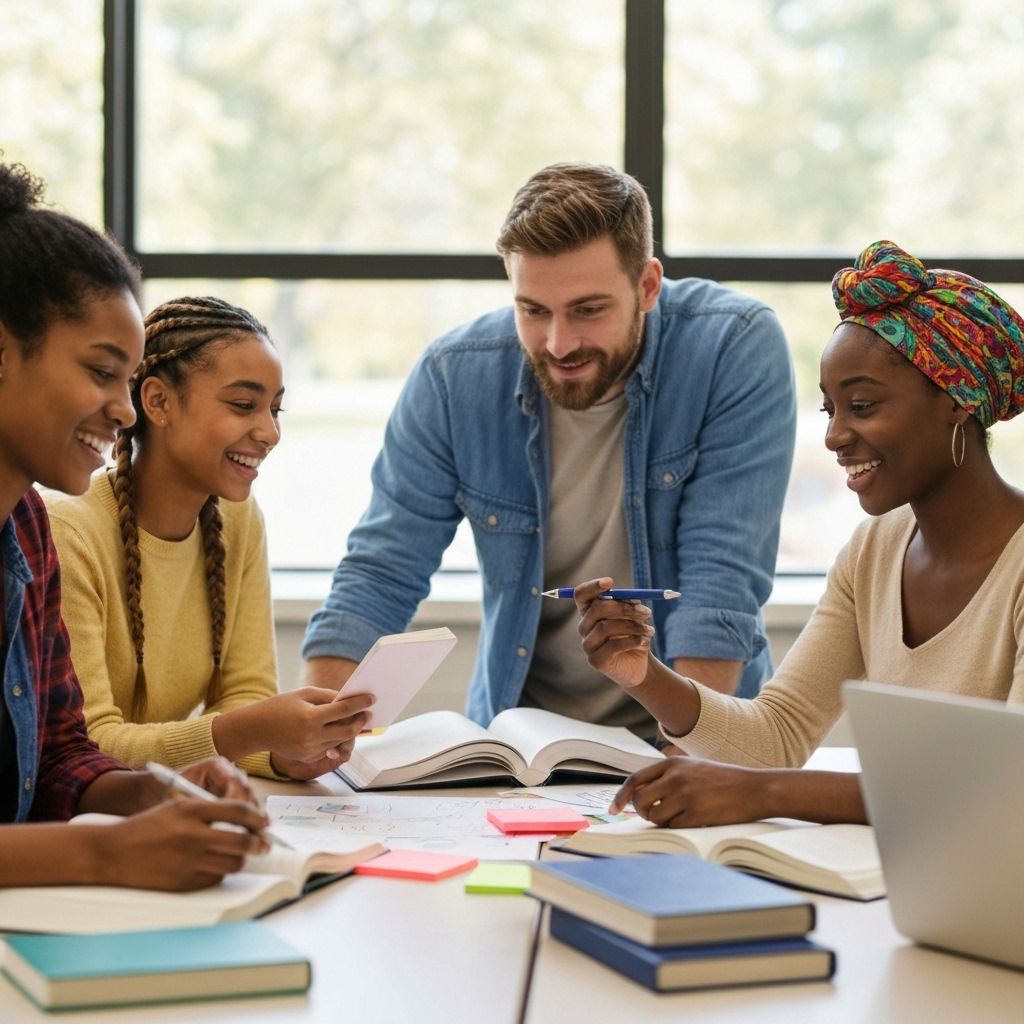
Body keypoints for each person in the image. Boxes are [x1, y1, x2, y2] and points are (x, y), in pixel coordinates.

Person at [302, 163, 796, 738]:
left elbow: (719, 586)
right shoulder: (453, 377)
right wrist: (315, 737)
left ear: (647, 286)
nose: (559, 344)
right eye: (533, 311)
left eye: (588, 310)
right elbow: (381, 572)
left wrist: (687, 768)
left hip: (690, 733)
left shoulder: (732, 348)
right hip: (520, 746)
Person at [575, 239, 1024, 826]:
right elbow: (776, 736)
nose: (835, 436)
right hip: (903, 886)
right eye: (829, 410)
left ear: (957, 402)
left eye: (861, 405)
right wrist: (642, 673)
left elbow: (1008, 784)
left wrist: (766, 795)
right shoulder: (875, 551)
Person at [0, 159, 271, 890]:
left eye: (129, 380)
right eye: (99, 371)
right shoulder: (63, 526)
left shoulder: (24, 529)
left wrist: (155, 791)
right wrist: (105, 854)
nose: (123, 410)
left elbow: (60, 757)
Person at [46, 297, 373, 781]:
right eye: (244, 405)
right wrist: (243, 734)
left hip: (159, 807)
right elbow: (90, 745)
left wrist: (284, 754)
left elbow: (246, 696)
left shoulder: (237, 519)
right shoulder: (70, 532)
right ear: (158, 402)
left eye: (274, 408)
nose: (270, 432)